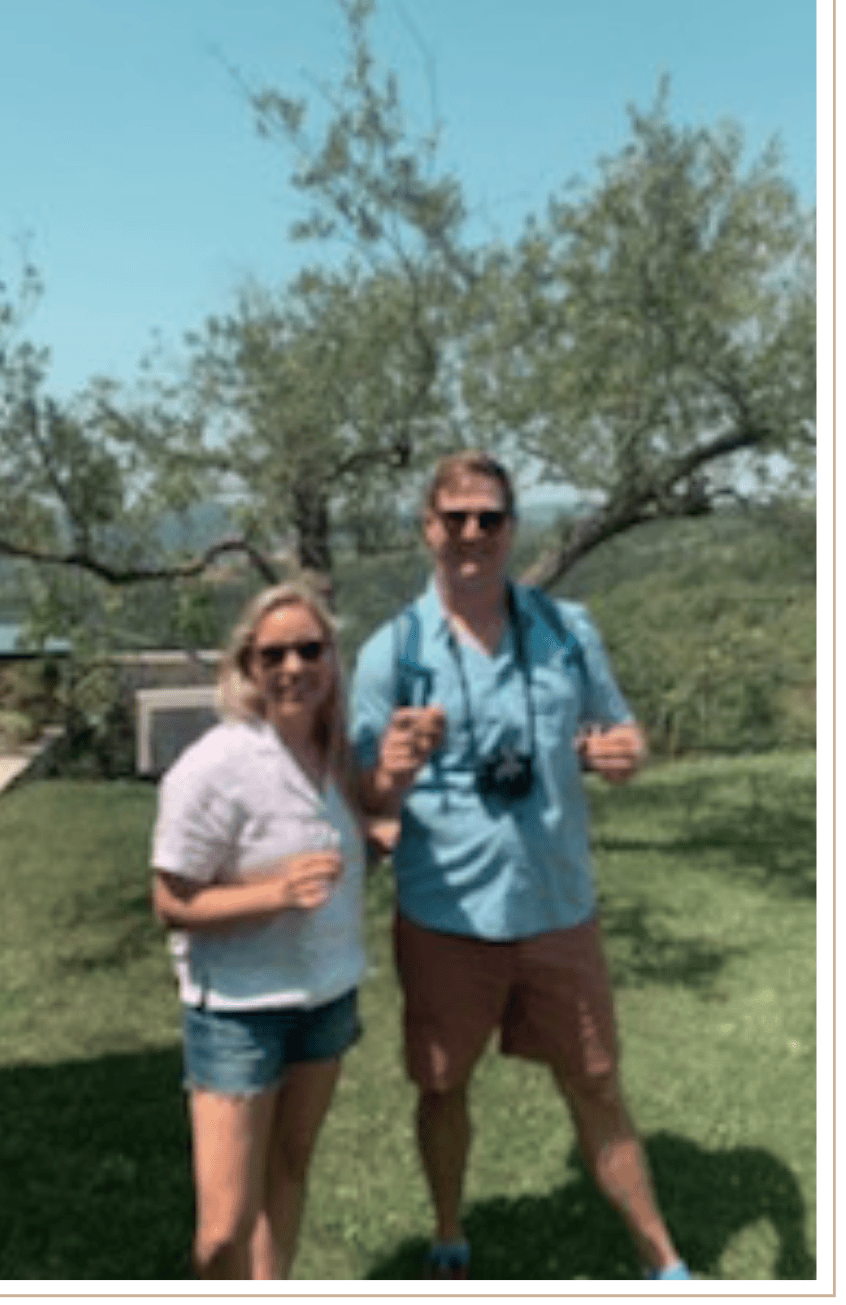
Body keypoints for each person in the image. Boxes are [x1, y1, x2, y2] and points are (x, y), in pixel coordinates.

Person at [351, 450, 694, 1283]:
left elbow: (620, 729)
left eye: (490, 518)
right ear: (428, 528)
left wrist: (628, 753)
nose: (472, 533)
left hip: (558, 908)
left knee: (598, 1085)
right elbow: (361, 795)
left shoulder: (568, 631)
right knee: (442, 1086)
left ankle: (664, 1262)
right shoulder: (391, 653)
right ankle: (448, 1233)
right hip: (446, 917)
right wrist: (390, 771)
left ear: (512, 529)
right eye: (456, 518)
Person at [150, 580, 370, 1281]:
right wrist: (275, 893)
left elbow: (358, 839)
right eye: (273, 654)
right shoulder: (216, 766)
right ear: (247, 666)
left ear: (331, 657)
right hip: (238, 1012)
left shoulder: (338, 755)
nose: (293, 667)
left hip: (326, 999)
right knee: (223, 1232)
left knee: (289, 1173)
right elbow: (170, 900)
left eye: (310, 649)